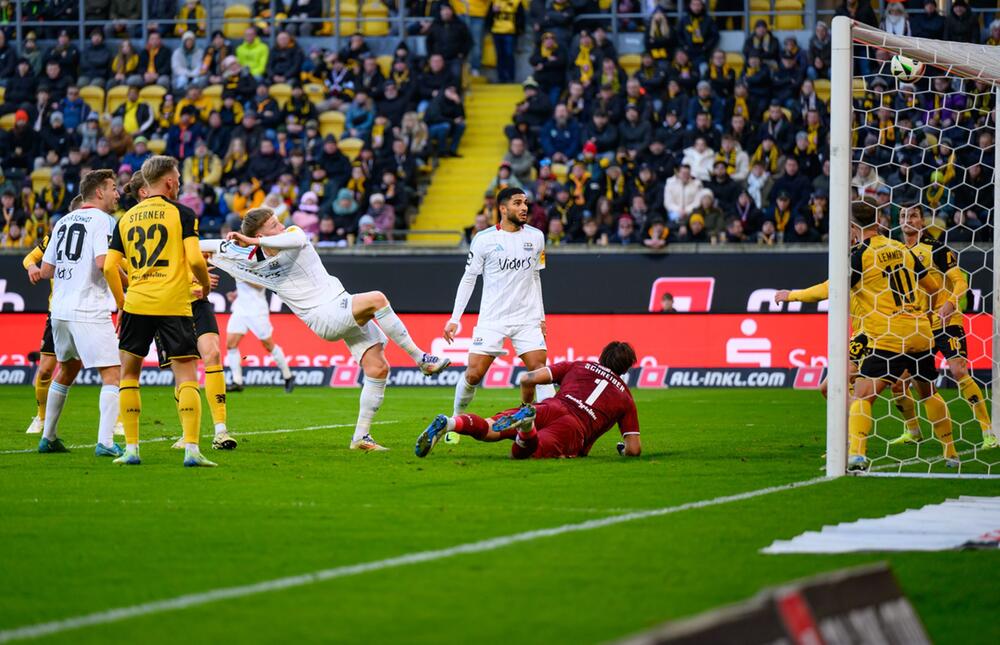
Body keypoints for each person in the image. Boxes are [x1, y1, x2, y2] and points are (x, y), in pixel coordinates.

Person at [201, 207, 451, 452]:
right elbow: (198, 245)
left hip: (337, 304)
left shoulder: (293, 234)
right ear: (261, 235)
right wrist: (197, 263)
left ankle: (360, 437)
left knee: (378, 368)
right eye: (273, 225)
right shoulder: (246, 254)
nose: (281, 226)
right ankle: (421, 359)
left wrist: (248, 239)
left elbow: (296, 237)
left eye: (278, 222)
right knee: (377, 298)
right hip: (323, 315)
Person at [103, 155, 216, 467]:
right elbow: (195, 260)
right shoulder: (182, 213)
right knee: (186, 376)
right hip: (174, 303)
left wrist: (122, 303)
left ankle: (131, 450)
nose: (179, 183)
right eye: (177, 178)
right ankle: (192, 450)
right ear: (168, 181)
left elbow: (110, 266)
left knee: (129, 375)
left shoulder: (126, 218)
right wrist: (204, 286)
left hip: (138, 302)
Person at [842, 201, 956, 472]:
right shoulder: (901, 250)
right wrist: (924, 313)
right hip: (919, 332)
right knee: (928, 391)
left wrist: (793, 296)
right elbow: (933, 286)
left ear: (853, 226)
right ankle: (951, 453)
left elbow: (832, 288)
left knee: (862, 395)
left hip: (886, 336)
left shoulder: (861, 255)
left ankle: (856, 454)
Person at [443, 187, 554, 444]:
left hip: (526, 319)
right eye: (517, 203)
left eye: (525, 203)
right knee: (473, 374)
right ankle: (456, 420)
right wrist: (454, 318)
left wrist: (541, 316)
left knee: (540, 370)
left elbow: (535, 276)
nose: (524, 207)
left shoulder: (536, 237)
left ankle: (550, 422)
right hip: (492, 319)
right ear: (503, 209)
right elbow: (469, 278)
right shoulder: (483, 239)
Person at [415, 341, 640, 460]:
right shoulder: (625, 398)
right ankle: (527, 428)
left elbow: (528, 378)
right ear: (627, 368)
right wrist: (623, 450)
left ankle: (451, 423)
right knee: (521, 452)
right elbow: (634, 449)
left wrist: (526, 404)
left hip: (550, 406)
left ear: (601, 356)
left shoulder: (578, 365)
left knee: (490, 429)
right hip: (573, 428)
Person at [36, 170, 124, 456]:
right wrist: (129, 287)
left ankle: (48, 437)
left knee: (67, 369)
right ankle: (106, 442)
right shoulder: (104, 220)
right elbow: (103, 262)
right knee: (112, 373)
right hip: (88, 308)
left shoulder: (62, 221)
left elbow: (46, 270)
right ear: (99, 192)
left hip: (59, 309)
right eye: (112, 188)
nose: (117, 193)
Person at [898, 204, 996, 449]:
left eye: (913, 215)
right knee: (901, 380)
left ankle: (989, 432)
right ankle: (913, 431)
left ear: (922, 221)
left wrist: (950, 304)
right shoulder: (896, 252)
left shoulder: (937, 248)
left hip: (945, 321)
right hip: (917, 325)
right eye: (903, 215)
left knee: (958, 371)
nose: (907, 220)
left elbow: (961, 282)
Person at [225, 278, 295, 394]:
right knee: (231, 344)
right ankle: (237, 382)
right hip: (240, 309)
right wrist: (236, 294)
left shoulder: (256, 263)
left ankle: (288, 376)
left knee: (268, 344)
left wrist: (241, 276)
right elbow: (243, 285)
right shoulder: (238, 264)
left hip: (257, 310)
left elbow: (261, 285)